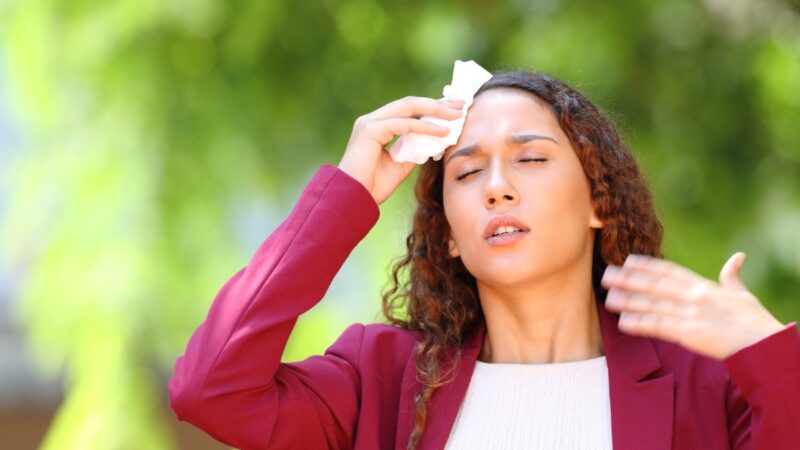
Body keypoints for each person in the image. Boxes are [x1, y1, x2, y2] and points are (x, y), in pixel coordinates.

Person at [168, 71, 800, 450]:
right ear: (449, 234)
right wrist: (347, 194)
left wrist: (771, 354)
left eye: (531, 158)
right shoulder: (381, 380)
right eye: (467, 172)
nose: (496, 187)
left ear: (597, 203)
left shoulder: (705, 386)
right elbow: (211, 389)